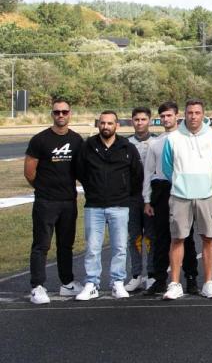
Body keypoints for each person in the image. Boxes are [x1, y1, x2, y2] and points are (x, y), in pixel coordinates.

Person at [74, 111, 143, 300]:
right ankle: (91, 283)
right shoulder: (88, 146)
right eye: (102, 123)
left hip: (119, 206)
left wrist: (125, 195)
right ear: (98, 125)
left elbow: (137, 175)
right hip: (94, 205)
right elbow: (80, 171)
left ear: (117, 125)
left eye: (109, 123)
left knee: (119, 247)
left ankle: (117, 282)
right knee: (93, 248)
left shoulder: (127, 147)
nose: (106, 126)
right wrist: (92, 189)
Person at [161, 99, 212, 300]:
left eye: (197, 112)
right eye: (190, 112)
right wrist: (182, 182)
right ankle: (174, 284)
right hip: (180, 196)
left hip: (207, 195)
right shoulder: (172, 138)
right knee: (177, 238)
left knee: (208, 238)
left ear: (203, 114)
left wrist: (207, 184)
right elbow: (167, 167)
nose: (193, 116)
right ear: (184, 114)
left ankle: (208, 283)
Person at [25, 98, 84, 304]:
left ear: (70, 113)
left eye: (64, 112)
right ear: (52, 114)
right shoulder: (40, 139)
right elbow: (29, 171)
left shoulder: (77, 140)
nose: (61, 115)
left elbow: (81, 170)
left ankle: (67, 283)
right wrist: (43, 189)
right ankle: (37, 286)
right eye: (57, 112)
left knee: (65, 245)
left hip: (68, 201)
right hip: (46, 201)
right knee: (41, 244)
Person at [143, 102, 199, 297]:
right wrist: (147, 200)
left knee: (185, 236)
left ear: (177, 116)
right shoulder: (155, 143)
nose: (166, 119)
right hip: (161, 190)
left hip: (182, 189)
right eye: (163, 116)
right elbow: (149, 172)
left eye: (169, 115)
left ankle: (191, 278)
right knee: (161, 238)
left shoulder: (186, 139)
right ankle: (160, 280)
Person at [125, 107, 156, 292]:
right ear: (132, 121)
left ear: (149, 121)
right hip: (132, 197)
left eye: (143, 119)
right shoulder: (125, 143)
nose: (140, 122)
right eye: (136, 119)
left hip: (151, 197)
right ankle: (136, 275)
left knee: (151, 237)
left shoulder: (157, 142)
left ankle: (152, 275)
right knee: (134, 236)